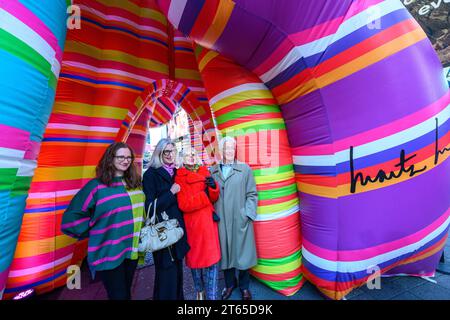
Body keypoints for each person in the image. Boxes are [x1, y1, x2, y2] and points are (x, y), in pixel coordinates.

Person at [61, 142, 144, 300]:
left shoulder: (135, 184)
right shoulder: (96, 187)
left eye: (128, 157)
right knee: (118, 296)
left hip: (132, 249)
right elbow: (71, 218)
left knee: (126, 292)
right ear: (110, 158)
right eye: (120, 156)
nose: (125, 160)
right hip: (109, 252)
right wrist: (94, 229)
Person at [210, 136, 258, 300]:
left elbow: (252, 194)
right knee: (226, 254)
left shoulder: (244, 169)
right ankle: (230, 284)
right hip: (221, 220)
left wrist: (247, 214)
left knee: (243, 254)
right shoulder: (212, 171)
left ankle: (244, 287)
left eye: (231, 148)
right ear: (221, 151)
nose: (229, 151)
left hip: (240, 219)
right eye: (225, 148)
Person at [142, 138, 190, 300]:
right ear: (159, 153)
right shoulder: (150, 175)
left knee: (177, 273)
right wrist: (171, 192)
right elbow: (149, 207)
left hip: (178, 230)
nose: (170, 155)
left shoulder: (176, 172)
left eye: (172, 151)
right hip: (163, 231)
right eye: (166, 152)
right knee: (166, 275)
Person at [175, 149, 221, 300]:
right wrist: (204, 195)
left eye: (194, 154)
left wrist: (214, 188)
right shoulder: (180, 177)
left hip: (208, 222)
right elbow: (183, 204)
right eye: (188, 154)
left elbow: (213, 197)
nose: (192, 156)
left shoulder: (204, 171)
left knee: (212, 261)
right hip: (193, 225)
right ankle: (199, 291)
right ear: (182, 158)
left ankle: (212, 296)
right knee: (196, 262)